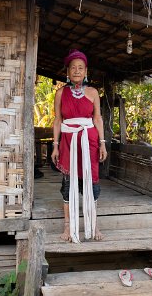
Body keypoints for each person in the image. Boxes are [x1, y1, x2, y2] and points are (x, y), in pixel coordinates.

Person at [51, 49, 108, 243]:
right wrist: (55, 145)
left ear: (86, 71)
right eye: (73, 67)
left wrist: (102, 143)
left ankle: (93, 225)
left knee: (92, 180)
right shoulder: (60, 93)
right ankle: (68, 227)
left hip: (89, 141)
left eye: (80, 68)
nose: (77, 70)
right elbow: (58, 120)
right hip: (68, 142)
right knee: (68, 182)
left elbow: (98, 118)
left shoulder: (93, 93)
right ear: (67, 71)